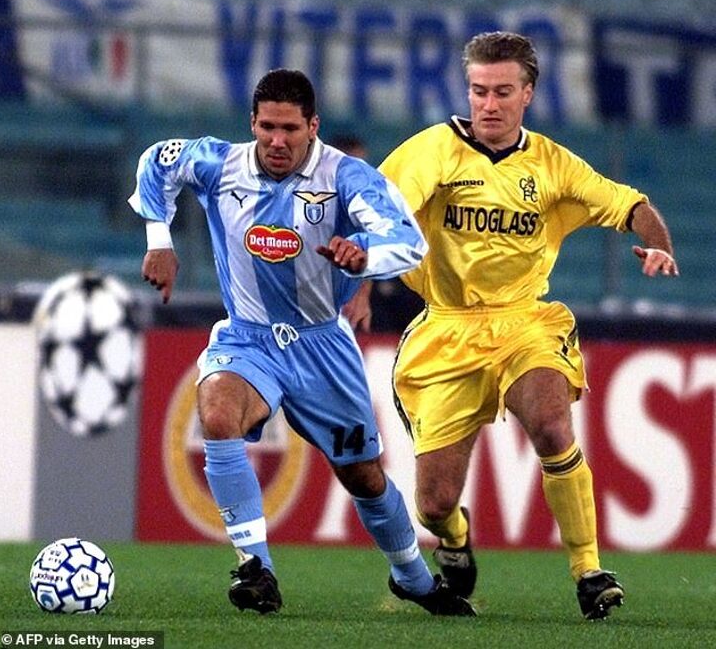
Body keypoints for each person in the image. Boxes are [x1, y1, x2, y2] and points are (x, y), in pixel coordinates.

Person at [128, 68, 475, 617]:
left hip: (322, 345)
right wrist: (159, 240)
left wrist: (366, 254)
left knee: (363, 476)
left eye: (290, 128)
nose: (277, 141)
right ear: (252, 123)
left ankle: (411, 576)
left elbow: (408, 240)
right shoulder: (219, 163)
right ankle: (255, 568)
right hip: (248, 337)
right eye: (267, 127)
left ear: (313, 126)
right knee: (217, 411)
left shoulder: (347, 177)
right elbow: (157, 162)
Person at [377, 32, 679, 620]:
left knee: (550, 423)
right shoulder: (433, 150)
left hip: (524, 322)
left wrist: (659, 245)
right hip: (447, 330)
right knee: (433, 503)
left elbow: (630, 204)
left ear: (528, 94)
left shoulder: (552, 163)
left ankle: (589, 571)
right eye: (478, 91)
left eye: (501, 92)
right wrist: (363, 270)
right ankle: (455, 537)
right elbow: (384, 211)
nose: (488, 104)